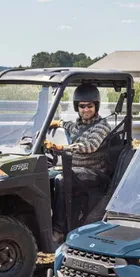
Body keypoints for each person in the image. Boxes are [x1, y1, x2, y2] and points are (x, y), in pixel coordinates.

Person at [44, 84, 113, 225]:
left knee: (61, 180)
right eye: (82, 106)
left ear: (96, 106)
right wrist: (57, 123)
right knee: (44, 177)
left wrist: (61, 147)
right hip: (75, 169)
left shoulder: (102, 126)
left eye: (89, 106)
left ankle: (59, 228)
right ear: (77, 107)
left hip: (94, 173)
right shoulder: (78, 125)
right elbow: (68, 126)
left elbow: (90, 146)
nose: (86, 110)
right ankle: (45, 223)